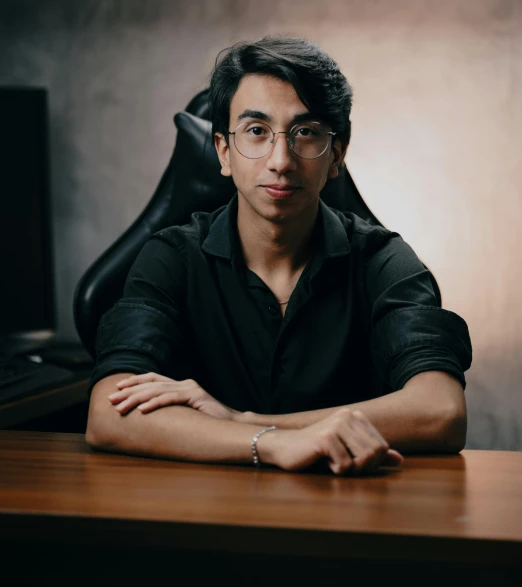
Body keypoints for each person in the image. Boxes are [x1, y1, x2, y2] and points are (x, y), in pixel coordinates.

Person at [86, 37, 472, 476]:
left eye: (305, 132)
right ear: (223, 152)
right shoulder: (171, 258)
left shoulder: (384, 260)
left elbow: (442, 411)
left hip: (347, 514)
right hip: (197, 516)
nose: (281, 159)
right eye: (256, 132)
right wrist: (270, 445)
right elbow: (106, 415)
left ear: (337, 154)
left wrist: (247, 423)